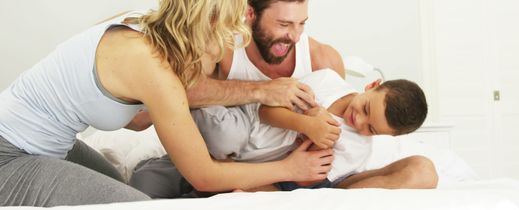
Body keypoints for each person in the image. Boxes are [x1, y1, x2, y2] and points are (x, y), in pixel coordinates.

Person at [0, 0, 334, 207]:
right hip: (9, 155)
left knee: (128, 190)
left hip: (49, 145)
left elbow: (137, 120)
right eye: (236, 19)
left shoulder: (137, 23)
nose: (238, 31)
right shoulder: (150, 65)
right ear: (213, 18)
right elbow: (203, 174)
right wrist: (291, 169)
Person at [184, 0, 438, 190]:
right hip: (225, 159)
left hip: (293, 175)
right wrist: (264, 91)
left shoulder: (323, 61)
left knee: (422, 170)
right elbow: (179, 95)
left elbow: (329, 159)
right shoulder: (225, 46)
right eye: (284, 24)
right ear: (250, 14)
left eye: (301, 24)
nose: (295, 36)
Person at [130, 68, 429, 197]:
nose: (359, 122)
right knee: (224, 135)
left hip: (247, 165)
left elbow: (304, 179)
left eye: (372, 129)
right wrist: (305, 123)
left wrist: (310, 149)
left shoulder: (357, 150)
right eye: (366, 109)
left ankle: (165, 167)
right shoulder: (327, 80)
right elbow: (266, 109)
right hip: (244, 125)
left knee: (142, 185)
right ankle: (160, 101)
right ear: (372, 86)